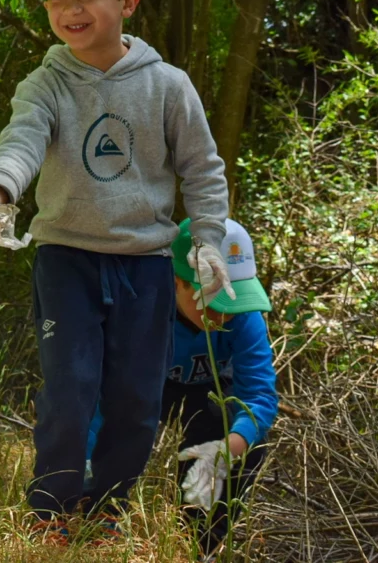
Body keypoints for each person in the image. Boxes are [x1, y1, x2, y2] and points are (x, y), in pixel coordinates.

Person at [0, 0, 233, 531]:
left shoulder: (168, 86)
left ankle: (106, 510)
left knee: (135, 402)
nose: (70, 8)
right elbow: (20, 143)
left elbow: (202, 170)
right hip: (67, 257)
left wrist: (209, 241)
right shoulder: (46, 83)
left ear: (127, 1)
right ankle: (50, 510)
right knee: (70, 391)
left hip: (147, 263)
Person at [85, 218, 278, 553]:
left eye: (234, 302)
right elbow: (103, 396)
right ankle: (103, 516)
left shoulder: (245, 318)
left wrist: (227, 450)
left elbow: (258, 395)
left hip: (209, 398)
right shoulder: (139, 312)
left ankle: (197, 542)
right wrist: (85, 460)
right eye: (216, 301)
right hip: (146, 389)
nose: (225, 316)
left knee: (248, 439)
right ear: (176, 282)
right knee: (122, 416)